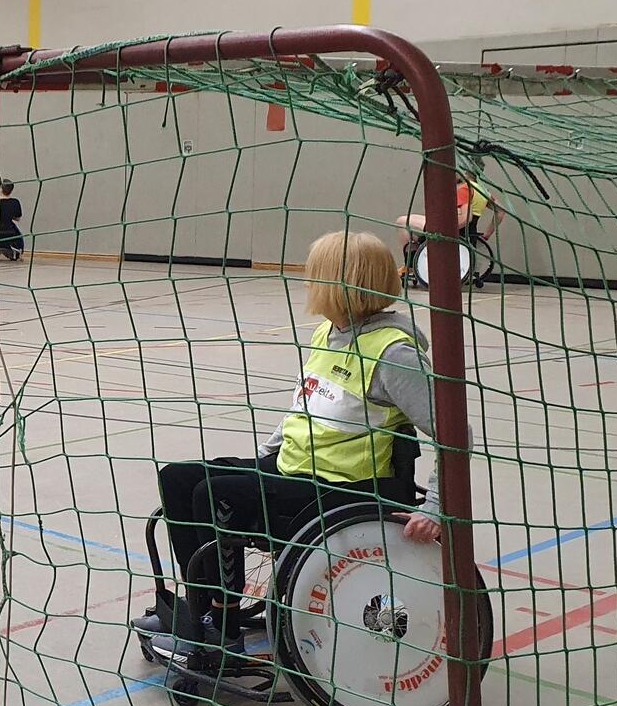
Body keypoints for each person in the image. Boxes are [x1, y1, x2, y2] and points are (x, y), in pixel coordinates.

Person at [141, 230, 467, 660]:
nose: (309, 284)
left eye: (316, 276)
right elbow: (306, 405)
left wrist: (436, 507)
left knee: (216, 494)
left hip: (346, 490)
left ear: (341, 282)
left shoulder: (393, 353)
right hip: (296, 470)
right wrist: (262, 458)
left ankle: (223, 628)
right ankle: (205, 607)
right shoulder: (328, 333)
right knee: (180, 478)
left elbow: (455, 436)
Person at [0, 179, 24, 260]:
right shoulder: (15, 202)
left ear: (1, 188)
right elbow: (18, 218)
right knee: (18, 235)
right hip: (10, 231)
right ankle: (16, 251)